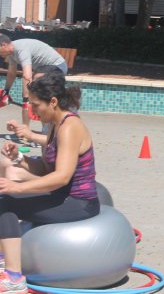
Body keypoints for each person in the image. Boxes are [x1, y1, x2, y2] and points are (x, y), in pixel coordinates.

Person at [0, 73, 99, 293]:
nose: (33, 111)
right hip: (62, 195)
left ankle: (14, 278)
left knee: (5, 204)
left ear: (53, 102)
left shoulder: (70, 127)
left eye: (36, 105)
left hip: (79, 201)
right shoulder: (56, 124)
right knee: (5, 199)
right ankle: (7, 262)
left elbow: (62, 176)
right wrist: (19, 158)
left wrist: (18, 187)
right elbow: (46, 169)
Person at [0, 34, 67, 128]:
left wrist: (28, 97)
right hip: (43, 70)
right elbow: (11, 73)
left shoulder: (21, 49)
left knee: (38, 98)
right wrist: (6, 91)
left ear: (3, 45)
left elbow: (27, 75)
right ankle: (25, 132)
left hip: (57, 66)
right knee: (32, 99)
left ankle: (46, 130)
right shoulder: (12, 53)